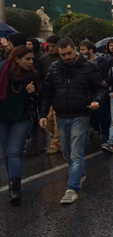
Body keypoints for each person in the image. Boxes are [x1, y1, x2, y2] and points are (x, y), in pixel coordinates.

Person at [39, 38, 107, 204]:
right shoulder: (55, 68)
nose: (67, 57)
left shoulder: (89, 67)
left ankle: (72, 188)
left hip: (81, 114)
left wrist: (96, 100)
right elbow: (47, 92)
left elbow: (100, 87)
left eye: (69, 53)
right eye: (63, 55)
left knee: (76, 152)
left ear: (75, 49)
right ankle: (80, 173)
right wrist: (42, 113)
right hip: (61, 114)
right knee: (66, 152)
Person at [0, 46, 39, 204]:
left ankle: (14, 189)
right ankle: (12, 180)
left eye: (32, 59)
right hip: (2, 117)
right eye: (27, 59)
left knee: (14, 151)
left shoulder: (33, 74)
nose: (31, 62)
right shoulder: (2, 70)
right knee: (6, 152)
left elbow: (39, 97)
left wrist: (32, 92)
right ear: (16, 59)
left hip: (22, 117)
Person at [40, 35, 61, 155]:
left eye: (54, 46)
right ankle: (60, 138)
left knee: (57, 121)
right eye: (50, 46)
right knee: (48, 122)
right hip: (48, 94)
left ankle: (55, 144)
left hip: (60, 94)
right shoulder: (44, 59)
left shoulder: (63, 58)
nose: (51, 48)